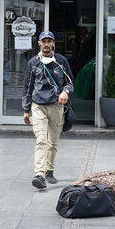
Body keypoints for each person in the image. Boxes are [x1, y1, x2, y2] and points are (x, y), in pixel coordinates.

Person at [22, 31, 74, 190]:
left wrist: (65, 91)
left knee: (53, 142)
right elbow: (27, 87)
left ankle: (49, 170)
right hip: (38, 106)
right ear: (39, 43)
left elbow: (70, 82)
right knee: (41, 140)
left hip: (57, 107)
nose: (46, 44)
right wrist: (26, 109)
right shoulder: (33, 63)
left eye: (49, 41)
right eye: (43, 41)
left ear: (53, 43)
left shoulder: (61, 61)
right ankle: (39, 174)